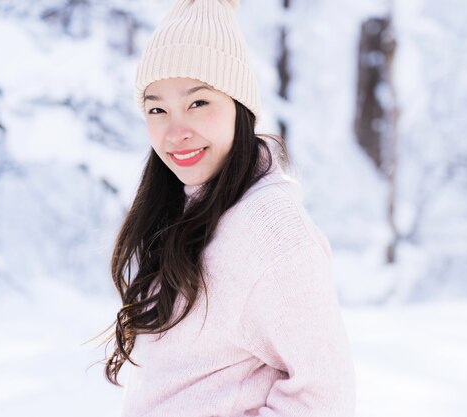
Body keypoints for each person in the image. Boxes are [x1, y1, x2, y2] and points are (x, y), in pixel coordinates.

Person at [103, 0, 356, 416]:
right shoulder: (184, 212)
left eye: (198, 103)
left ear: (239, 106)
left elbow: (326, 397)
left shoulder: (273, 231)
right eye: (156, 109)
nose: (175, 131)